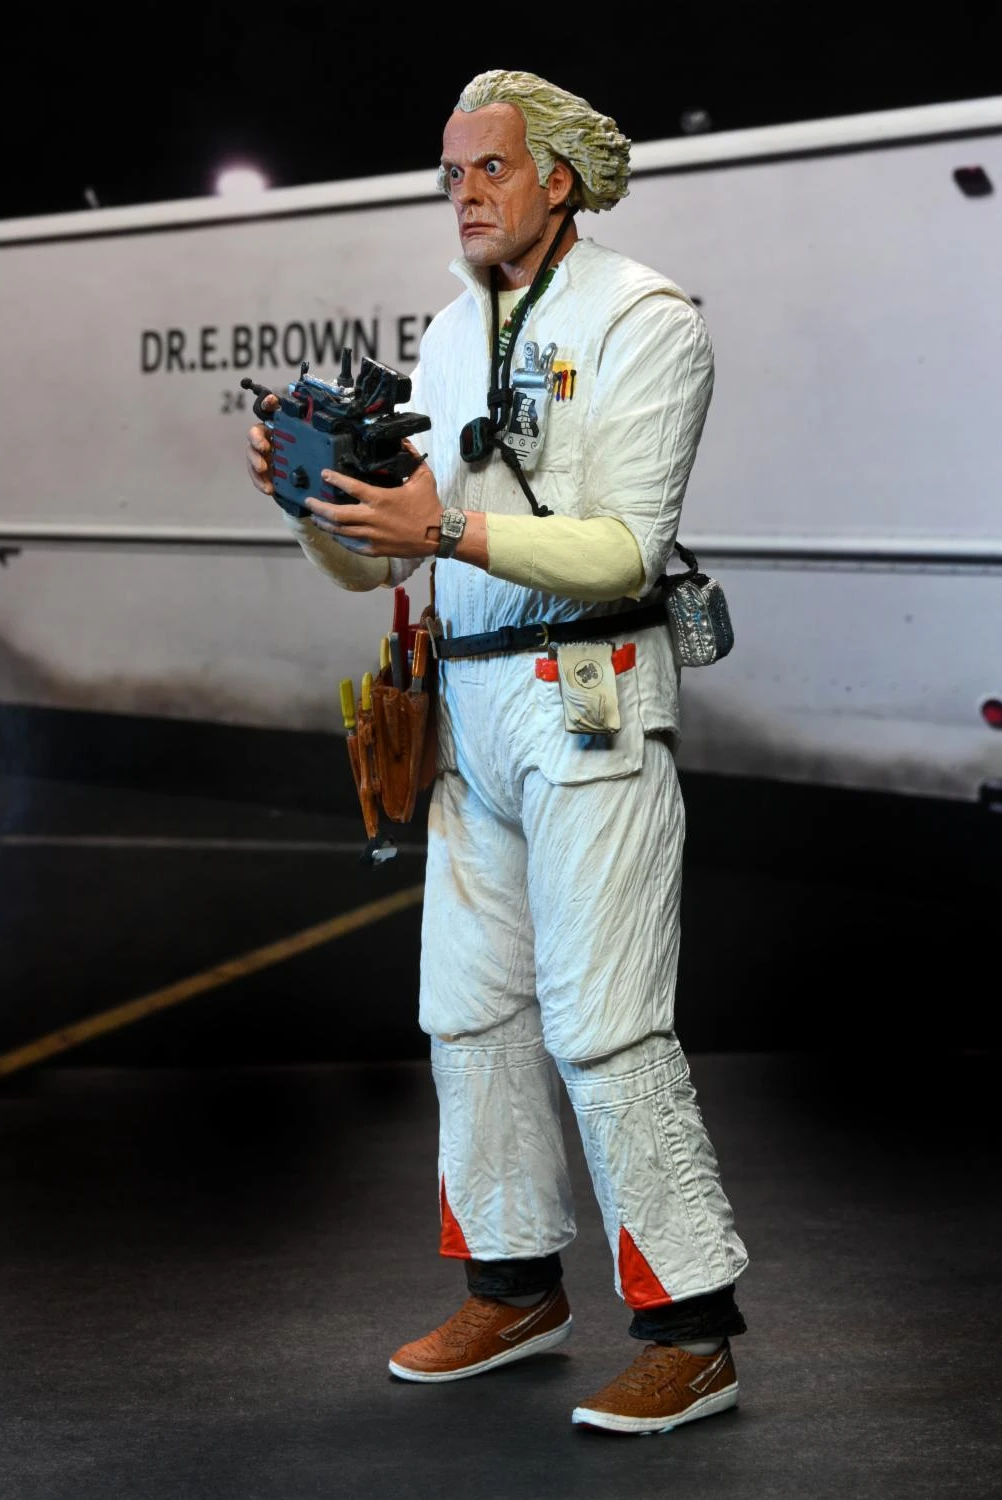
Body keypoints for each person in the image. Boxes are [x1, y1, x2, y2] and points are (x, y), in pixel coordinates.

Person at [245, 68, 749, 1436]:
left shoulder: (647, 320)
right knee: (467, 1010)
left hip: (592, 698)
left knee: (605, 1021)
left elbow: (627, 549)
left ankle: (693, 1330)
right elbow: (383, 570)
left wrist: (445, 530)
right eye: (451, 174)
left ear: (558, 180)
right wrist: (315, 505)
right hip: (471, 706)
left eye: (490, 169)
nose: (463, 195)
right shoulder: (449, 333)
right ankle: (514, 1287)